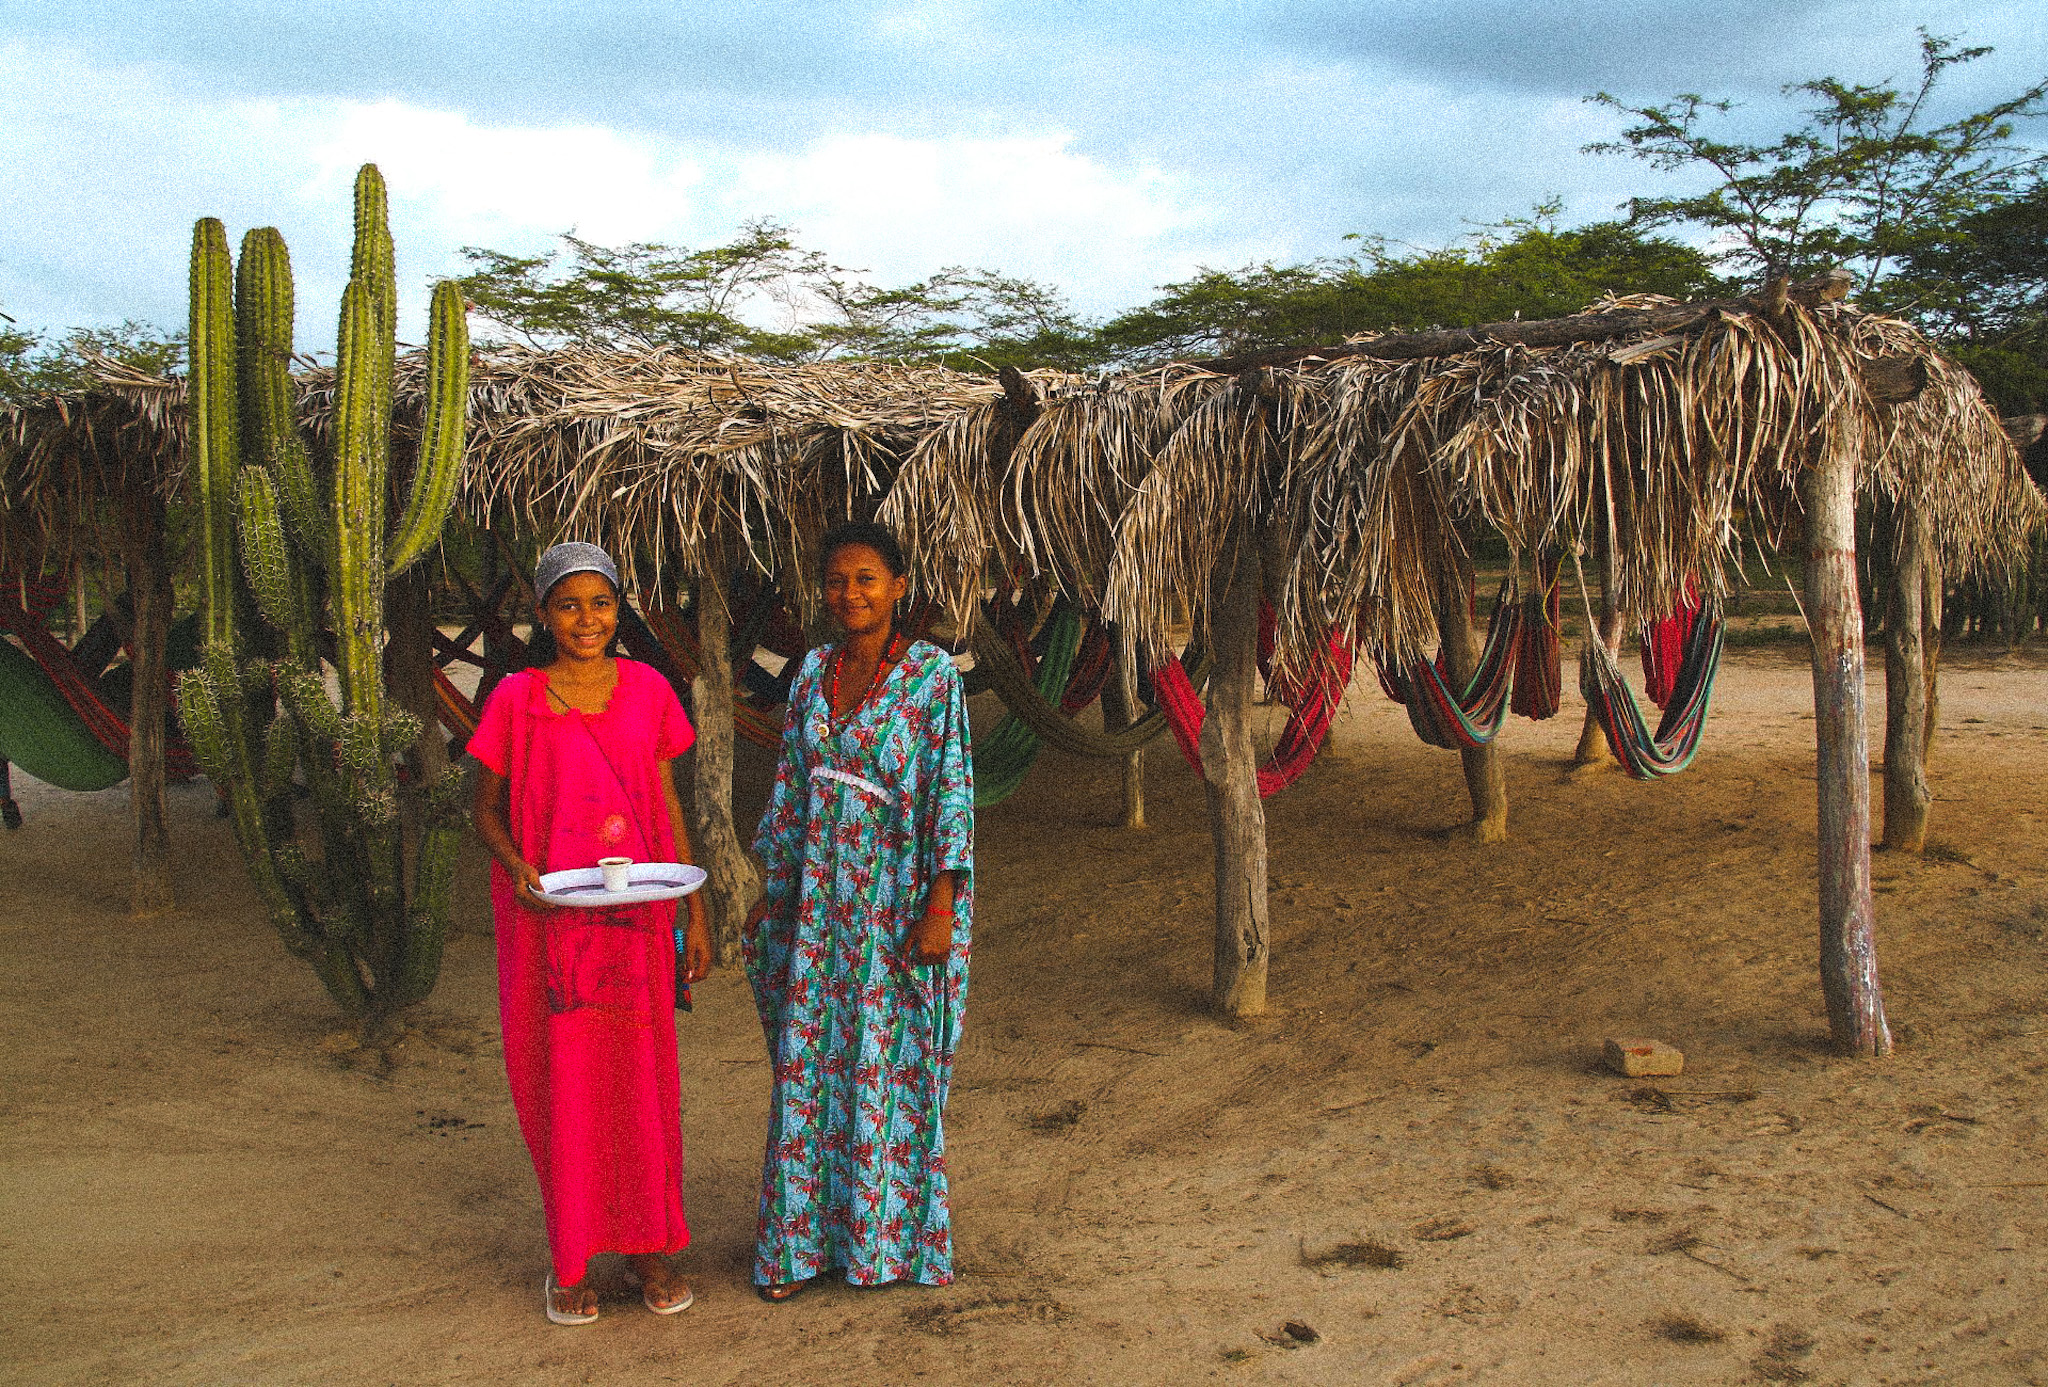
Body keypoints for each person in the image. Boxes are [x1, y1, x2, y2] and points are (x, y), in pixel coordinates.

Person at [470, 541, 713, 1325]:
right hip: (550, 930)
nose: (587, 620)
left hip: (637, 924)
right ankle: (570, 1259)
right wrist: (515, 868)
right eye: (568, 604)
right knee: (563, 1087)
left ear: (619, 610)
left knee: (643, 1087)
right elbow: (485, 809)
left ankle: (653, 1251)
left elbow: (668, 805)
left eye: (601, 603)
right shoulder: (515, 699)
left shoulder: (648, 691)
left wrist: (695, 909)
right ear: (542, 613)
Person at [743, 520, 974, 1301]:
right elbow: (789, 785)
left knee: (887, 1067)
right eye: (838, 581)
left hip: (895, 903)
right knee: (814, 1071)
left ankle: (884, 1247)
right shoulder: (810, 672)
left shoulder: (934, 677)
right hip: (818, 907)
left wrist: (940, 901)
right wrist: (770, 887)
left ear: (899, 586)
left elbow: (951, 791)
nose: (851, 594)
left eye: (867, 579)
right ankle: (801, 1249)